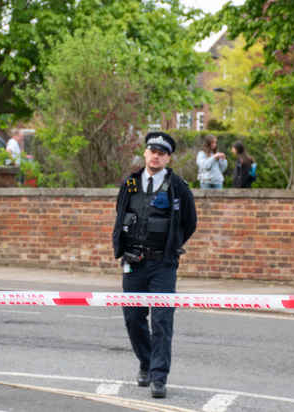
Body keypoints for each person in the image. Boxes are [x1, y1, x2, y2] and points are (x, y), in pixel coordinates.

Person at [112, 132, 197, 399]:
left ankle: (159, 377)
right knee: (133, 319)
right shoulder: (131, 183)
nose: (156, 156)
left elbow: (190, 221)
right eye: (152, 151)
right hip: (134, 262)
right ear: (146, 154)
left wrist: (172, 244)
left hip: (162, 264)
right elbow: (120, 212)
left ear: (168, 157)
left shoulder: (178, 186)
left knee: (161, 321)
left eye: (162, 152)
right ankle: (146, 363)